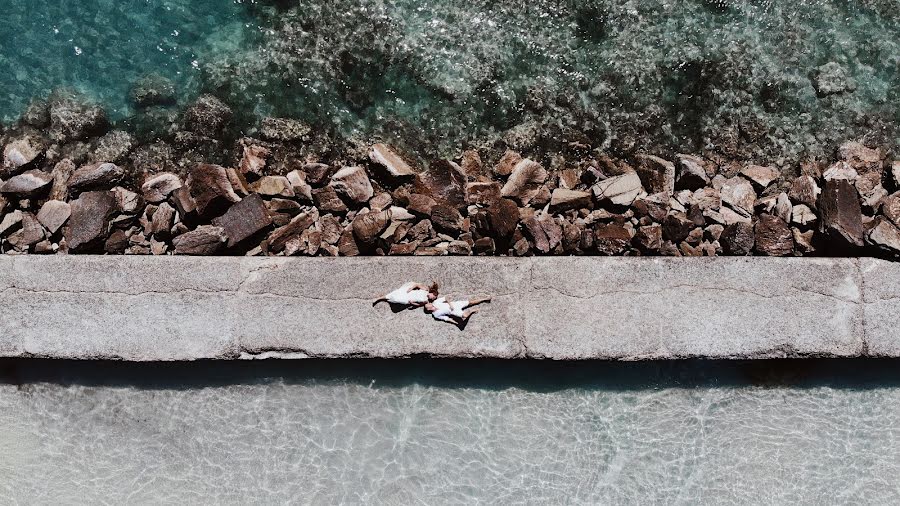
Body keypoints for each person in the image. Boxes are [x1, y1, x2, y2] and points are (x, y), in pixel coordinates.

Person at [425, 295, 491, 325]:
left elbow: (446, 298)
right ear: (428, 309)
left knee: (470, 302)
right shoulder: (435, 315)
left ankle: (484, 299)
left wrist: (450, 304)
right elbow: (446, 319)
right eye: (428, 305)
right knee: (464, 316)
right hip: (453, 312)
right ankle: (472, 311)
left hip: (455, 305)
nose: (430, 303)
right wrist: (455, 323)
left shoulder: (436, 302)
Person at [373, 282, 439, 307]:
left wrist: (412, 303)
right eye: (432, 297)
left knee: (397, 299)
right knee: (396, 293)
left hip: (408, 299)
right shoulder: (425, 290)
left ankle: (384, 298)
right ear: (432, 293)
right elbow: (417, 285)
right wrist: (411, 288)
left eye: (432, 299)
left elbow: (419, 305)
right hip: (409, 292)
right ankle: (379, 298)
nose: (431, 298)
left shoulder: (426, 301)